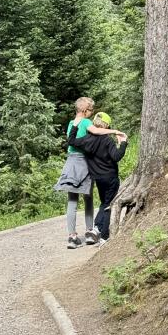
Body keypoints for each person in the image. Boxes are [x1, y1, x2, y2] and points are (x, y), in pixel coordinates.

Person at [54, 97, 121, 249]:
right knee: (88, 198)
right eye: (91, 110)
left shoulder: (72, 123)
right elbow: (97, 131)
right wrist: (114, 131)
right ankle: (90, 232)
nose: (92, 113)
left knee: (72, 200)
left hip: (70, 163)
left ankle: (72, 236)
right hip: (84, 163)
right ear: (85, 111)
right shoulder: (86, 122)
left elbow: (71, 140)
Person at [67, 111, 127, 243]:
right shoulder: (107, 140)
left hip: (97, 178)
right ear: (106, 126)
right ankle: (101, 234)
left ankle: (95, 231)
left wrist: (75, 126)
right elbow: (117, 156)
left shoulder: (86, 140)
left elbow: (71, 141)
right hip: (110, 177)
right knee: (108, 204)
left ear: (94, 122)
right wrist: (123, 143)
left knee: (104, 203)